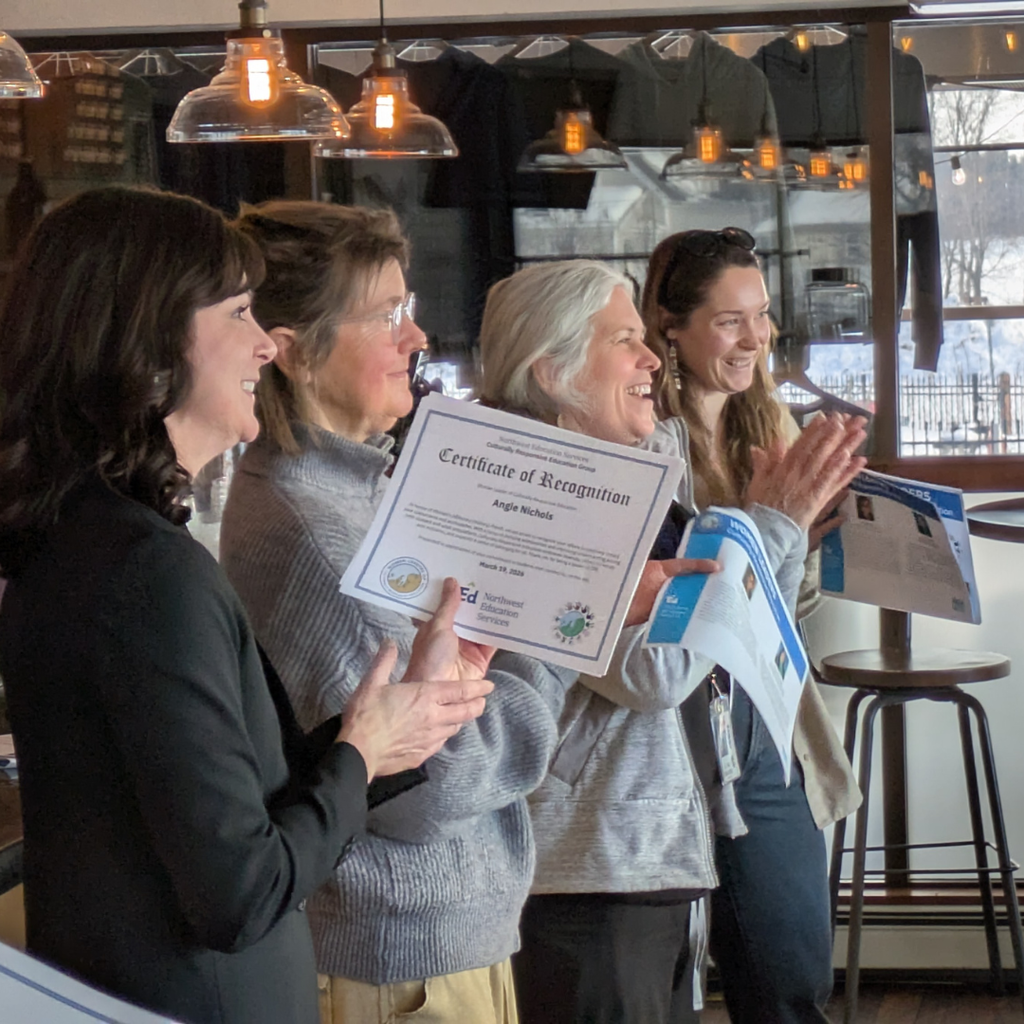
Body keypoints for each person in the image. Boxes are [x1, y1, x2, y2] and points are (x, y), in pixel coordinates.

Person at [0, 186, 492, 1024]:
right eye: (237, 313)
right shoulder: (141, 570)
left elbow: (228, 801)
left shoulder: (92, 538)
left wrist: (383, 729)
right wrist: (363, 753)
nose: (265, 344)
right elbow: (241, 891)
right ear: (147, 342)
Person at [477, 259, 864, 1024]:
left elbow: (747, 635)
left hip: (657, 841)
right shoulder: (542, 491)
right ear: (552, 373)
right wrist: (767, 526)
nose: (652, 357)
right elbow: (654, 674)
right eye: (625, 340)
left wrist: (770, 534)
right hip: (593, 866)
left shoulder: (640, 467)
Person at [219, 201, 569, 1024]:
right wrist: (552, 631)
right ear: (296, 352)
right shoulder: (314, 528)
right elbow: (431, 787)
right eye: (387, 316)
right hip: (400, 958)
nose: (416, 339)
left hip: (434, 939)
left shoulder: (352, 491)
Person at [642, 227, 865, 1024]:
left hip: (766, 727)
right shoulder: (648, 442)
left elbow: (786, 614)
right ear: (672, 328)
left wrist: (812, 540)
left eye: (762, 315)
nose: (756, 337)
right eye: (731, 320)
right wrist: (772, 527)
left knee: (792, 966)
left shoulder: (766, 426)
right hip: (676, 729)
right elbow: (681, 613)